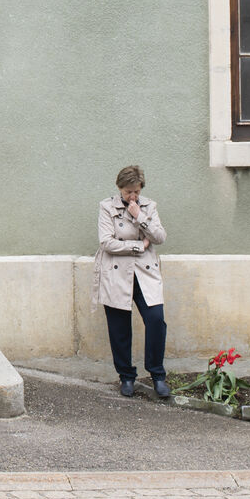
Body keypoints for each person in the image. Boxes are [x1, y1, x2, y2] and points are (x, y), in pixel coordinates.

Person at [95, 165, 169, 398]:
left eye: (136, 191)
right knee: (119, 329)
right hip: (116, 274)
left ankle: (157, 375)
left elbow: (160, 237)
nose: (133, 196)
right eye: (128, 192)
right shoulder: (107, 207)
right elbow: (106, 242)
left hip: (145, 274)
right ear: (120, 188)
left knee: (156, 321)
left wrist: (140, 216)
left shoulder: (149, 206)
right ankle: (126, 376)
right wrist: (139, 245)